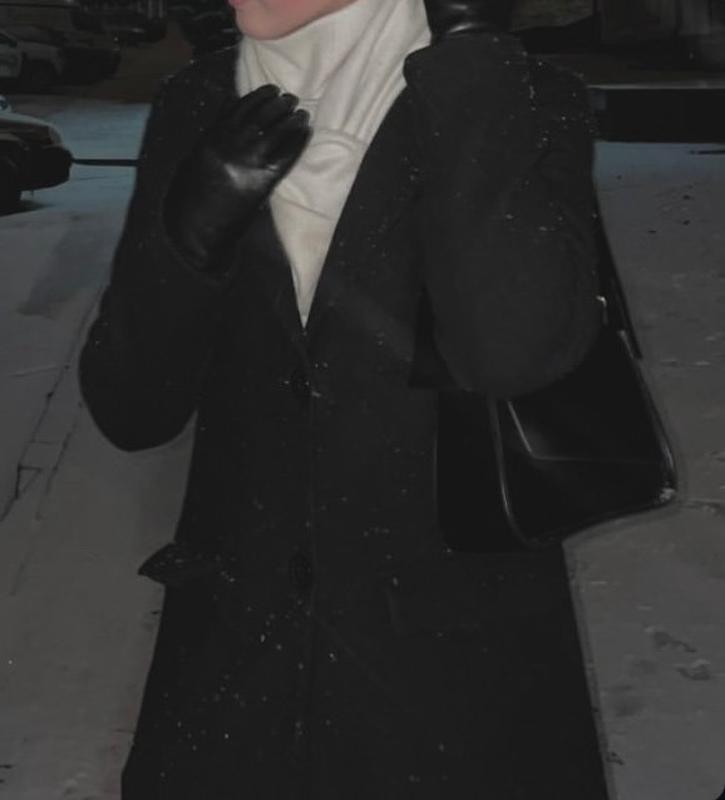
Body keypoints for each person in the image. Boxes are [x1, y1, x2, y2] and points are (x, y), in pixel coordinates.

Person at [78, 0, 612, 797]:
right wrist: (184, 243)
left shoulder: (517, 93)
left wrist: (468, 60)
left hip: (457, 686)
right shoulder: (199, 101)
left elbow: (511, 352)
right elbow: (129, 410)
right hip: (234, 681)